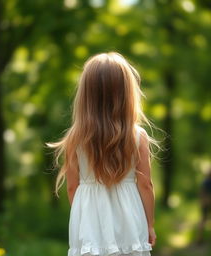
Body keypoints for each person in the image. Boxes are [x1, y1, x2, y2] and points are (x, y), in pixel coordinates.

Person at [46, 52, 159, 256]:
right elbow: (145, 185)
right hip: (130, 223)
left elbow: (72, 187)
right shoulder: (137, 136)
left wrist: (85, 215)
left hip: (90, 223)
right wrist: (149, 224)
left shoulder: (75, 138)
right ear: (127, 93)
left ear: (86, 96)